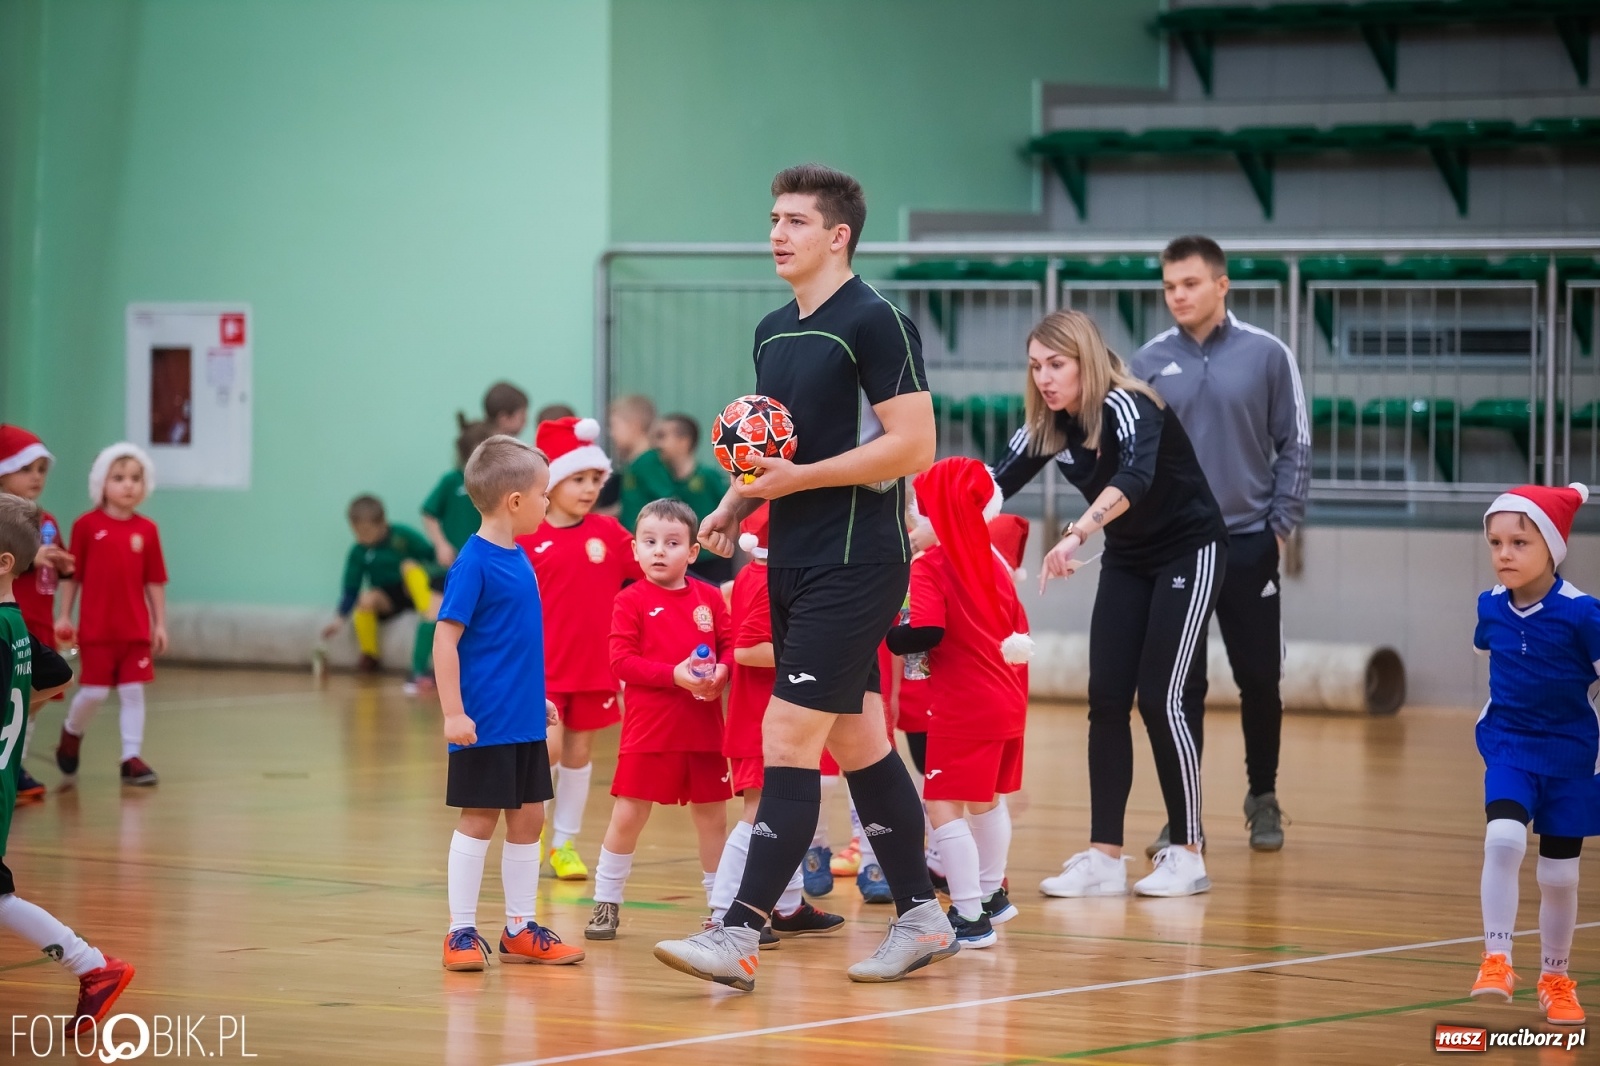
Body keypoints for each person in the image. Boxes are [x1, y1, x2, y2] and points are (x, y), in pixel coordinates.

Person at [653, 163, 952, 992]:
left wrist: (797, 482)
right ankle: (924, 918)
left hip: (859, 559)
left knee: (786, 737)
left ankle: (739, 932)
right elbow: (767, 448)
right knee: (859, 738)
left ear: (838, 235)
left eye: (794, 220)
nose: (777, 234)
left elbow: (913, 447)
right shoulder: (773, 328)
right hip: (791, 555)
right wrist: (731, 501)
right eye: (772, 219)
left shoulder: (877, 320)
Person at [993, 309, 1228, 899]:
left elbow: (1136, 478)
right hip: (1129, 558)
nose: (1045, 378)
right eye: (1035, 367)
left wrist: (1075, 534)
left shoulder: (1131, 404)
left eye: (1056, 365)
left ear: (1085, 361)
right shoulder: (1046, 425)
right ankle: (1104, 856)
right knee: (1105, 700)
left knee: (1163, 697)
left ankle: (1188, 852)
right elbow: (990, 488)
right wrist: (927, 530)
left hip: (1189, 550)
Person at [1130, 235, 1309, 854]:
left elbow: (1296, 444)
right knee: (1181, 686)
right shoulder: (1148, 361)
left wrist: (1280, 525)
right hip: (1177, 549)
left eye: (1190, 284)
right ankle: (1185, 813)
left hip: (1249, 542)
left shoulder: (1267, 354)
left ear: (1221, 285)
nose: (1178, 295)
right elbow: (1133, 454)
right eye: (1170, 286)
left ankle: (1263, 797)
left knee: (1259, 677)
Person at [436, 434, 584, 971]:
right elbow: (445, 640)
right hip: (484, 723)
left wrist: (535, 698)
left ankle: (520, 927)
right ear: (515, 501)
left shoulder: (518, 558)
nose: (550, 502)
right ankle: (459, 932)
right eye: (545, 494)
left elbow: (508, 641)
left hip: (521, 717)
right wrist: (454, 712)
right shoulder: (473, 563)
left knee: (528, 819)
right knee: (480, 819)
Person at [0, 493, 136, 1034]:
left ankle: (93, 965)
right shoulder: (15, 628)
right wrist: (26, 702)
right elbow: (57, 673)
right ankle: (92, 967)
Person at [887, 458, 1033, 949]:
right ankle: (993, 895)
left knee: (941, 804)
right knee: (987, 800)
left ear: (942, 515)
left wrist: (885, 634)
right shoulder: (992, 559)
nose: (913, 522)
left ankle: (970, 917)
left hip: (965, 703)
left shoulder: (930, 565)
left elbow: (927, 630)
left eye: (919, 513)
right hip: (1007, 699)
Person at [1469, 482, 1597, 1026]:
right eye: (1495, 542)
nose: (1504, 554)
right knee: (1502, 837)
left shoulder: (1583, 614)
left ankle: (1555, 977)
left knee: (1560, 877)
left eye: (1519, 542)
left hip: (1571, 757)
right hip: (1510, 745)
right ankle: (1496, 957)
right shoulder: (1489, 608)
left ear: (1551, 546)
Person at [586, 500, 732, 940]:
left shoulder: (708, 598)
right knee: (628, 815)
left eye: (672, 543)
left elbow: (730, 647)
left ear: (691, 552)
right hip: (650, 731)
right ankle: (606, 902)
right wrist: (675, 676)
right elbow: (620, 662)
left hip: (705, 731)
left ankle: (721, 908)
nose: (659, 551)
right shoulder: (629, 600)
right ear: (634, 549)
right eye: (649, 542)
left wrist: (723, 671)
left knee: (713, 819)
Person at [517, 416, 641, 882]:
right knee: (545, 749)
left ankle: (563, 844)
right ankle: (532, 830)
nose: (590, 489)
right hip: (542, 670)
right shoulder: (527, 538)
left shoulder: (609, 534)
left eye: (596, 479)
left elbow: (649, 569)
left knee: (579, 753)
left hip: (595, 667)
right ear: (552, 481)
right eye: (579, 479)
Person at [713, 503, 844, 944]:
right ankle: (720, 910)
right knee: (757, 816)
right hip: (758, 720)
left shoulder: (763, 575)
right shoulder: (769, 579)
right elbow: (747, 650)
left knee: (782, 810)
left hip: (772, 718)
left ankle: (786, 907)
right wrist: (814, 655)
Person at [53, 443, 169, 788]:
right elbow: (74, 575)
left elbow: (154, 580)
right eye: (119, 478)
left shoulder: (147, 530)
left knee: (134, 692)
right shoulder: (86, 526)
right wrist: (64, 615)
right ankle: (72, 731)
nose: (128, 485)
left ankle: (130, 758)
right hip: (97, 629)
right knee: (96, 693)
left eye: (136, 478)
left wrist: (159, 623)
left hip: (134, 630)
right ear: (101, 483)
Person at [0, 425, 75, 802]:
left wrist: (64, 565)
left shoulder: (46, 522)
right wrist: (32, 560)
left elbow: (59, 566)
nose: (36, 477)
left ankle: (16, 760)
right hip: (11, 621)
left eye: (42, 470)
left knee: (35, 698)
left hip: (41, 622)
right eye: (26, 468)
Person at [412, 419, 496, 695]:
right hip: (450, 564)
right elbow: (428, 512)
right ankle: (417, 672)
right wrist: (441, 544)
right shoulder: (451, 481)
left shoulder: (494, 484)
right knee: (433, 616)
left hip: (483, 565)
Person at [320, 496, 435, 673]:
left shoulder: (402, 536)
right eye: (357, 532)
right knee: (365, 600)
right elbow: (351, 588)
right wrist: (339, 619)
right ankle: (370, 655)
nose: (362, 537)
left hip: (411, 588)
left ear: (382, 523)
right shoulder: (358, 551)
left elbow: (431, 556)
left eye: (366, 531)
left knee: (408, 566)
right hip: (387, 596)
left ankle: (428, 616)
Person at [620, 414, 732, 584]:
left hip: (711, 559)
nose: (657, 444)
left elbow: (733, 513)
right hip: (679, 558)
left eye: (662, 436)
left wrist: (724, 545)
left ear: (684, 441)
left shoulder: (708, 476)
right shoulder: (663, 480)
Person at [597, 395, 657, 514]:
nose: (611, 433)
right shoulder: (634, 465)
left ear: (634, 425)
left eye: (614, 426)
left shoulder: (649, 463)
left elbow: (667, 503)